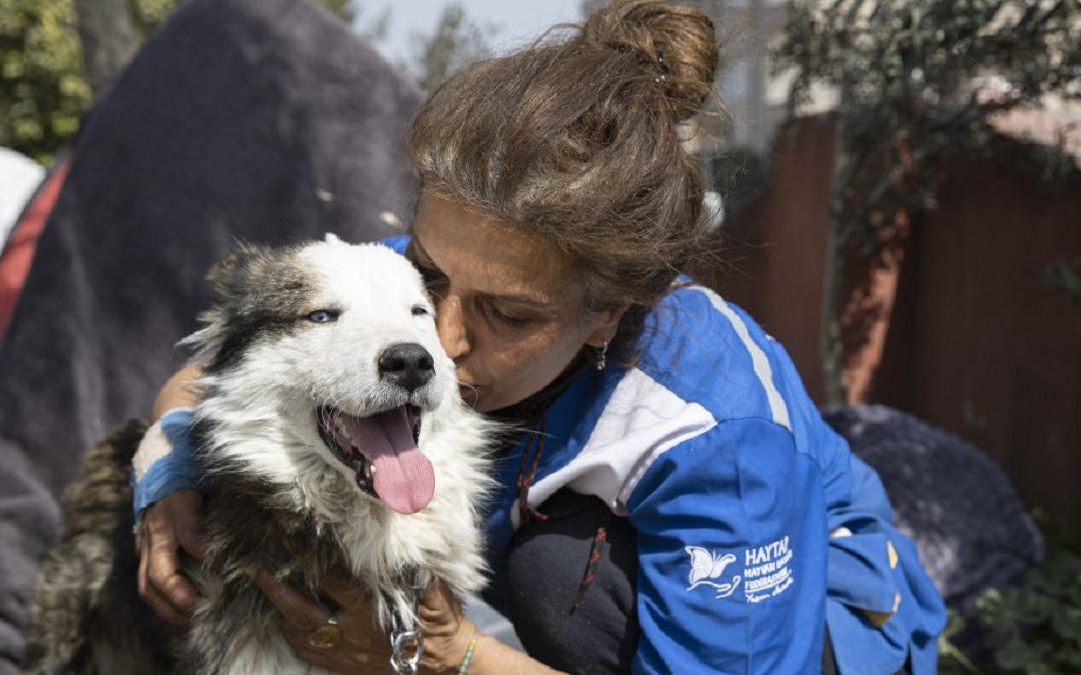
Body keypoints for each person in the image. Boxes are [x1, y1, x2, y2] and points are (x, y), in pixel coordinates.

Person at [132, 1, 946, 673]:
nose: (439, 341)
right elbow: (218, 372)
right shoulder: (410, 289)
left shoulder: (718, 433)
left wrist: (446, 651)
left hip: (816, 631)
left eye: (509, 315)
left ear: (608, 313)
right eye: (428, 275)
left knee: (564, 577)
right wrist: (169, 472)